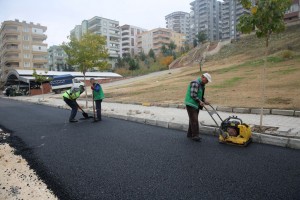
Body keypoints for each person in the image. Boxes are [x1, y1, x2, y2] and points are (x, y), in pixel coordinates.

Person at [184, 73, 212, 141]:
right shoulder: (195, 83)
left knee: (192, 120)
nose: (207, 82)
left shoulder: (202, 85)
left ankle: (190, 134)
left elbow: (200, 95)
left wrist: (204, 100)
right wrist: (200, 102)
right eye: (207, 80)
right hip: (191, 104)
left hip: (195, 104)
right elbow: (193, 95)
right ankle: (195, 136)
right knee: (194, 120)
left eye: (208, 81)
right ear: (203, 77)